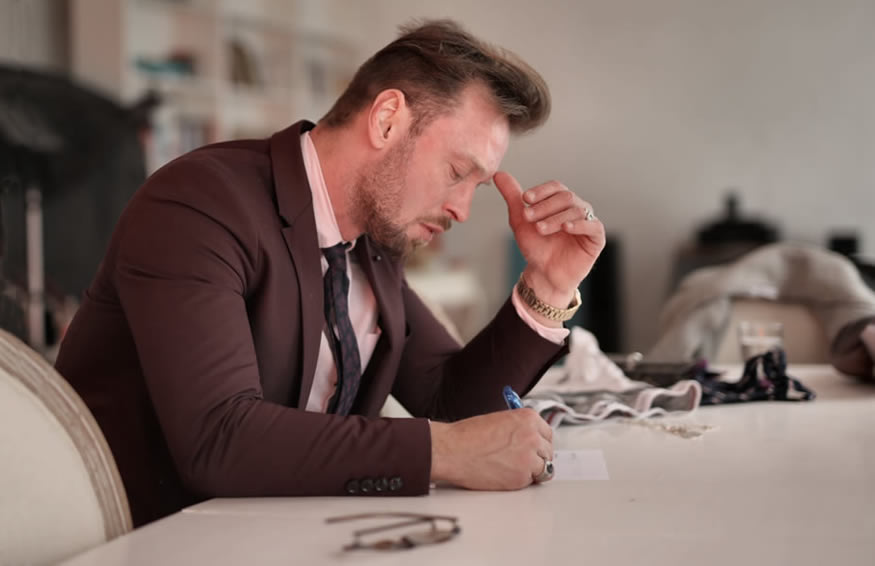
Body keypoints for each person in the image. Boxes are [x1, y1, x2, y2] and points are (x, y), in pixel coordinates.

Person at [55, 19, 605, 527]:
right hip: (147, 541)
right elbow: (218, 439)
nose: (462, 208)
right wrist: (445, 452)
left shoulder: (373, 243)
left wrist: (549, 286)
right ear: (388, 120)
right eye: (458, 172)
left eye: (476, 186)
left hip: (278, 536)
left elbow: (450, 402)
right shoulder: (199, 205)